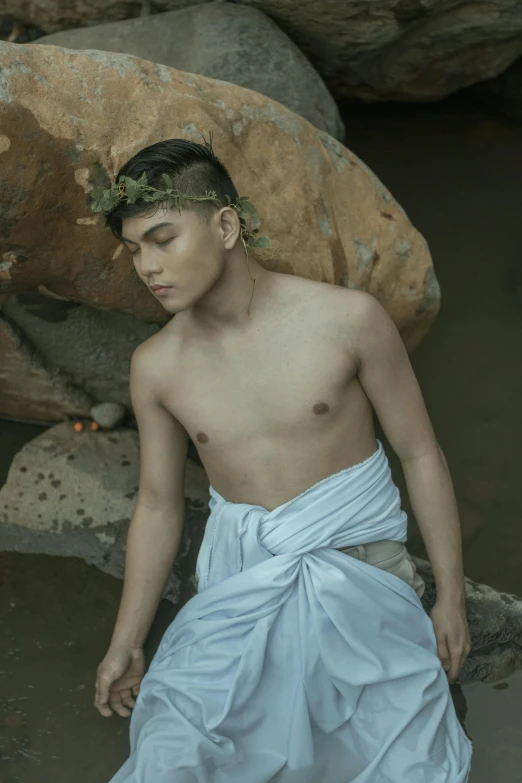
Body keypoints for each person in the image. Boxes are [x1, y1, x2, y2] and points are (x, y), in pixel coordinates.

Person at [92, 136, 473, 781]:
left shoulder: (348, 321)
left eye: (163, 239)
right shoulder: (157, 366)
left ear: (227, 224)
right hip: (239, 588)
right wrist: (126, 643)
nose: (147, 266)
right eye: (134, 250)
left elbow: (420, 452)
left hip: (361, 573)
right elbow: (157, 504)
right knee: (170, 759)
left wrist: (452, 598)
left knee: (406, 765)